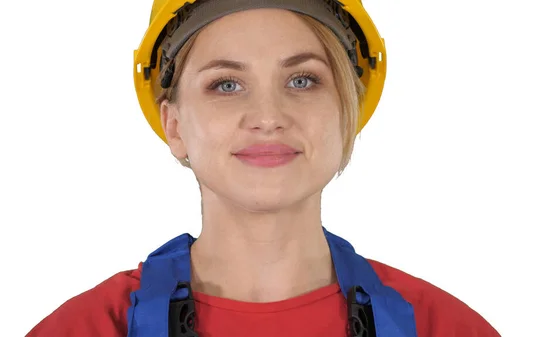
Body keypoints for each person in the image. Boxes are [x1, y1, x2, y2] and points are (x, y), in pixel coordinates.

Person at [26, 0, 501, 336]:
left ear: (347, 113)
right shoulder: (87, 329)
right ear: (174, 125)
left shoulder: (442, 328)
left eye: (302, 79)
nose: (269, 116)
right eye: (227, 84)